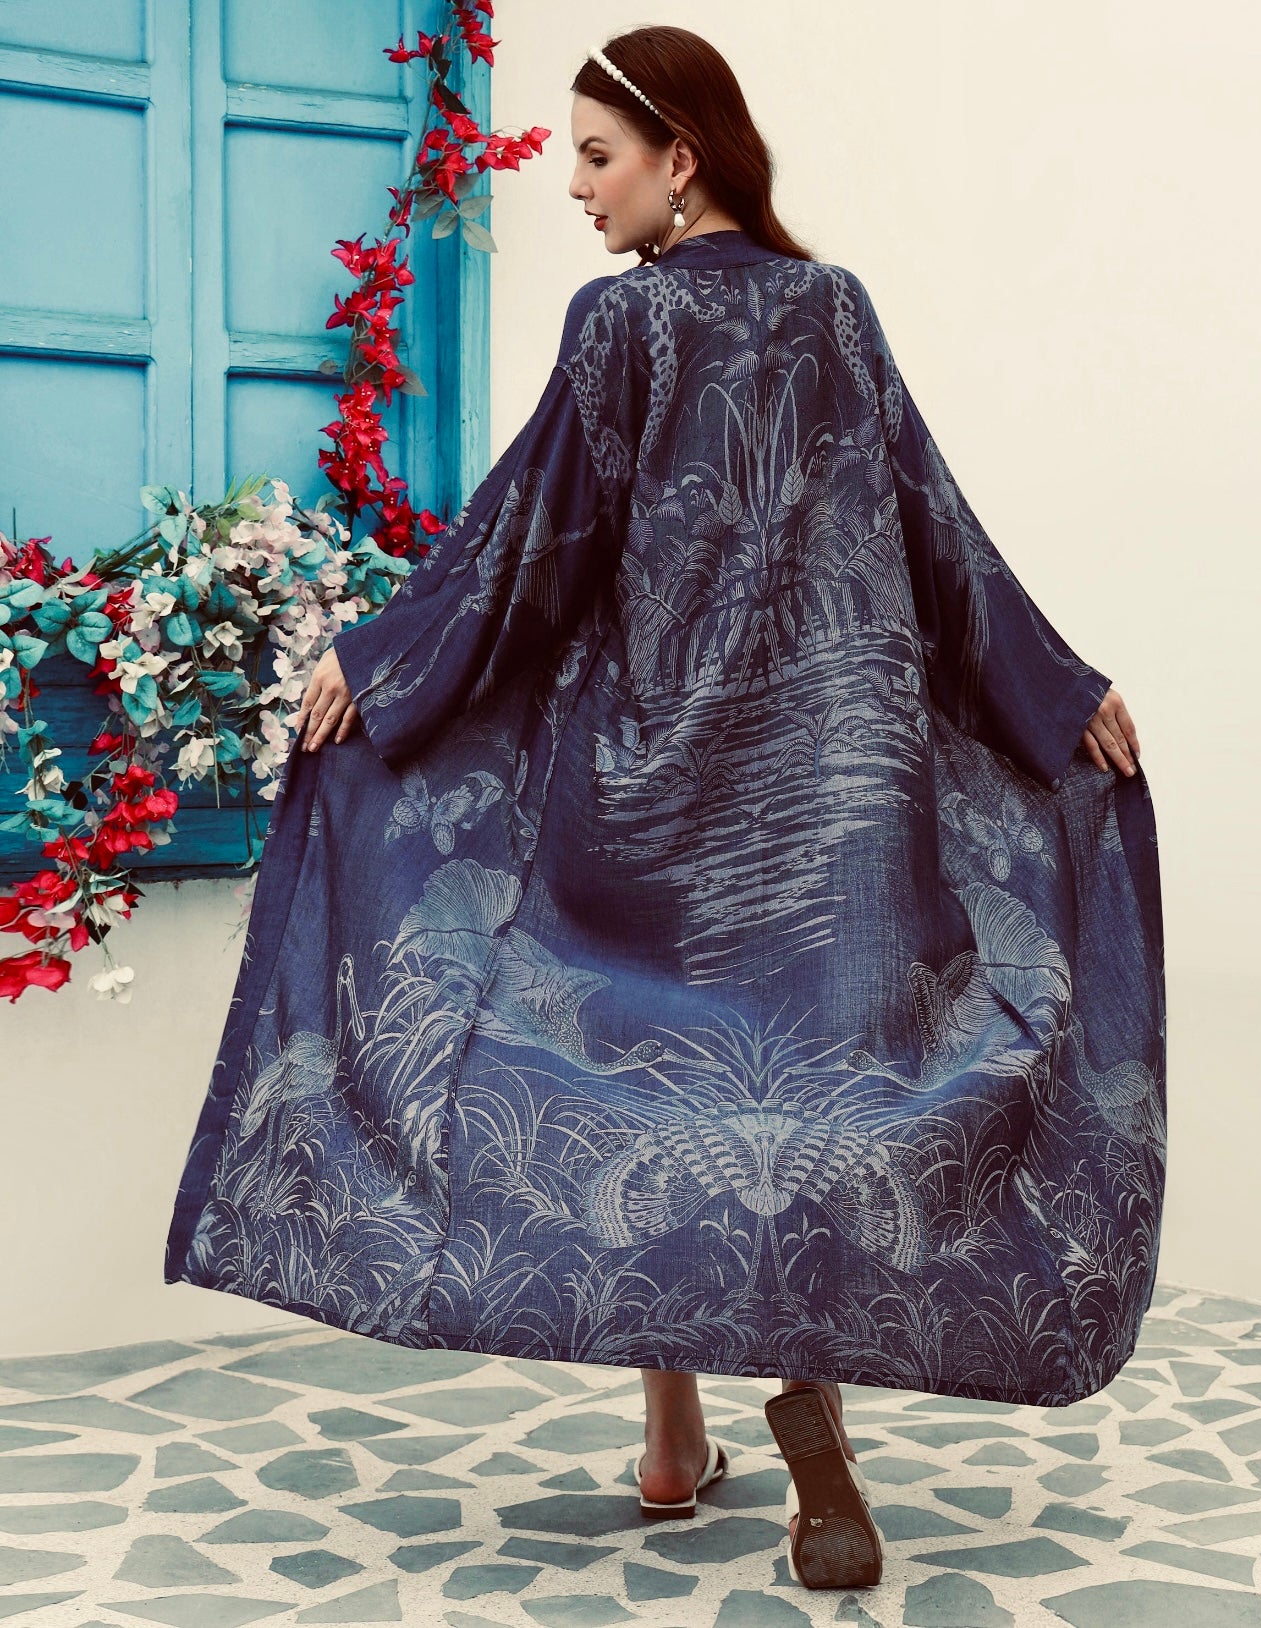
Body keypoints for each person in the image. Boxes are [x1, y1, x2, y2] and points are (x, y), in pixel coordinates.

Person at [164, 26, 1165, 1594]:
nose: (575, 186)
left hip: (688, 797)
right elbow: (927, 530)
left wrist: (388, 660)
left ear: (680, 157)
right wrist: (1051, 692)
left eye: (597, 154)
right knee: (774, 1112)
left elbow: (537, 543)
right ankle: (724, 1443)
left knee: (687, 1103)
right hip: (822, 808)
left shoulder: (642, 323)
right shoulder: (819, 310)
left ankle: (750, 1437)